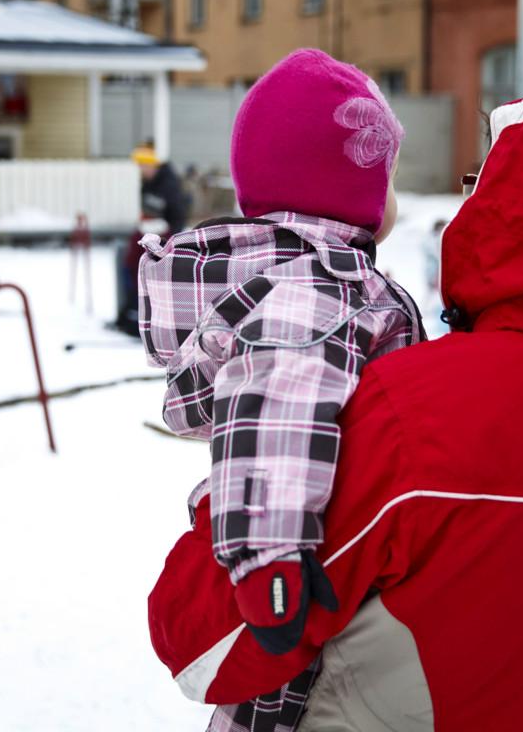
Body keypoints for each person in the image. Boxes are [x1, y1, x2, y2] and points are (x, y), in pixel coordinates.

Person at [149, 83, 523, 731]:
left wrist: (217, 499)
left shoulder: (414, 412)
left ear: (509, 201)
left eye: (484, 176)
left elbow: (205, 648)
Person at [138, 49, 423, 730]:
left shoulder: (308, 280)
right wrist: (269, 556)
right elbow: (277, 409)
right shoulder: (318, 290)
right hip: (301, 583)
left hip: (316, 562)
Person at [112, 145, 195, 336]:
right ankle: (132, 313)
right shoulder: (149, 183)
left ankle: (139, 316)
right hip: (144, 236)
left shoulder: (168, 185)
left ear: (153, 165)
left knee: (143, 275)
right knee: (130, 269)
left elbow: (177, 216)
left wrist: (167, 242)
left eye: (144, 166)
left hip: (158, 239)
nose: (141, 170)